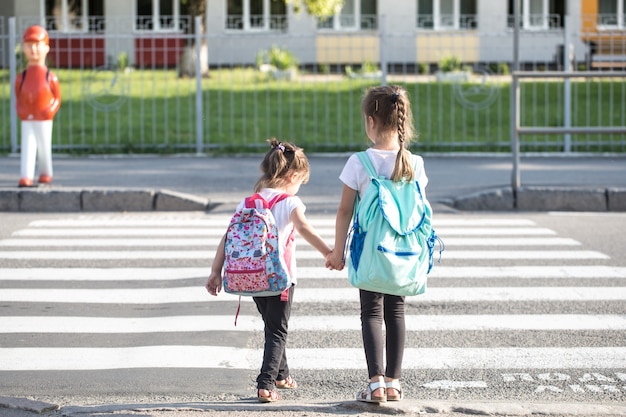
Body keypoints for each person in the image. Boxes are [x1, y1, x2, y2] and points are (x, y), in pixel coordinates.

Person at [205, 138, 333, 403]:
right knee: (277, 330)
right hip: (280, 279)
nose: (300, 188)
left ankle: (281, 376)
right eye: (301, 182)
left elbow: (227, 237)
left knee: (273, 326)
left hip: (251, 278)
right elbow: (305, 229)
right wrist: (329, 253)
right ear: (292, 175)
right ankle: (265, 384)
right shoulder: (290, 202)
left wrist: (216, 272)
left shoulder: (249, 202)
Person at [326, 85, 428, 403]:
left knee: (371, 312)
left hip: (371, 251)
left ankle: (375, 385)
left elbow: (344, 211)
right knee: (396, 311)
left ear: (370, 121)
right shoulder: (414, 163)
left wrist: (337, 252)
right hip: (404, 252)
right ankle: (395, 383)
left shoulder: (359, 162)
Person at [15, 25, 61, 188]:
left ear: (46, 48)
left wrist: (50, 109)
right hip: (27, 117)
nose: (33, 50)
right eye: (29, 45)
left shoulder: (50, 77)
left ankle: (46, 172)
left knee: (44, 146)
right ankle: (26, 175)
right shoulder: (22, 76)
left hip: (44, 118)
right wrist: (21, 110)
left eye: (37, 45)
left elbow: (57, 97)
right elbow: (18, 96)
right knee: (27, 145)